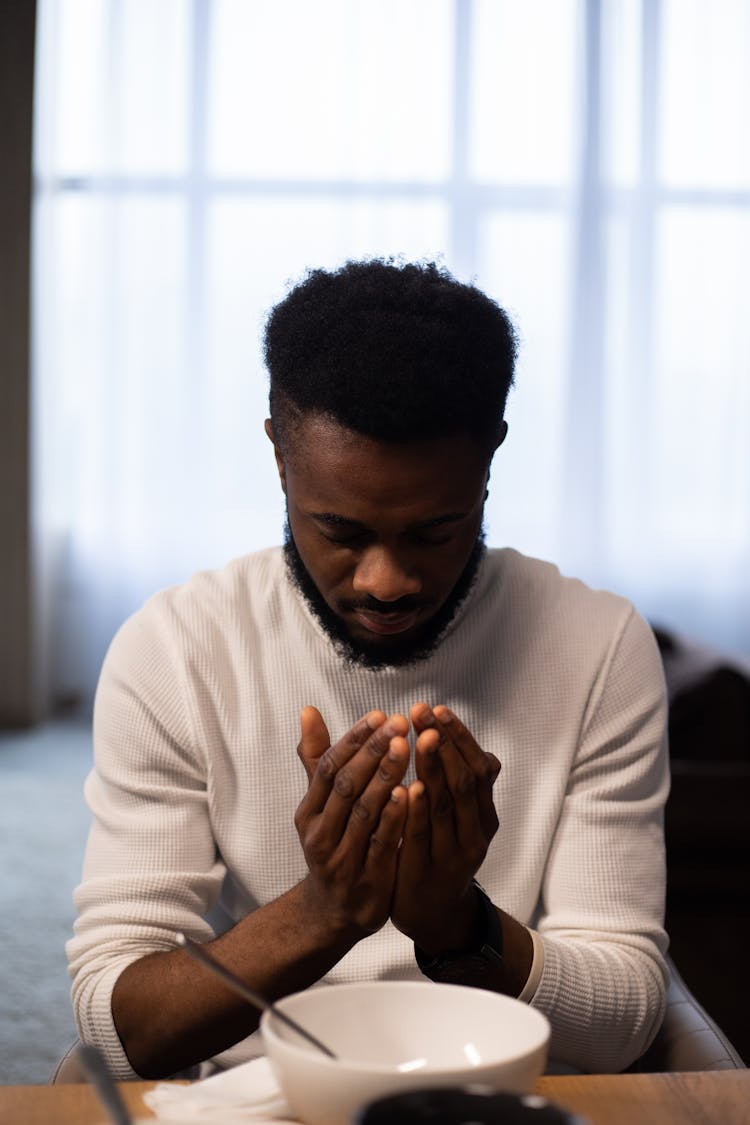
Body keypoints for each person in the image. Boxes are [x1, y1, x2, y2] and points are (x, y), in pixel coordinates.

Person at [67, 259, 670, 1080]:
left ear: (490, 455)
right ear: (280, 454)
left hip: (495, 1094)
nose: (386, 582)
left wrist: (460, 926)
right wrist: (323, 912)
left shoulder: (597, 646)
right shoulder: (175, 649)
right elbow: (116, 1021)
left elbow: (627, 1019)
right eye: (341, 531)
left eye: (434, 530)